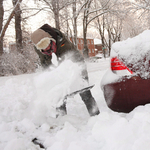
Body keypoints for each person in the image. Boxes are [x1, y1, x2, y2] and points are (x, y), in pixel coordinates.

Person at [31, 24, 100, 117]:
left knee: (85, 93)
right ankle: (62, 119)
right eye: (42, 47)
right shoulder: (40, 49)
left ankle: (96, 115)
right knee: (58, 96)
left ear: (50, 38)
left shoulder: (64, 44)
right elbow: (45, 64)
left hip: (75, 66)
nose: (46, 48)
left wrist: (83, 79)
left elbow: (78, 61)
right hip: (58, 71)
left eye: (46, 44)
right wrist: (50, 78)